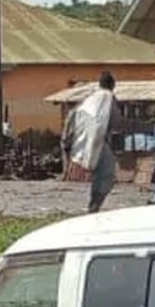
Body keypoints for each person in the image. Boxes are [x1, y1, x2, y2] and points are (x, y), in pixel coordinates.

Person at [64, 72, 125, 213]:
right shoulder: (109, 98)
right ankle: (95, 205)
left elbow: (75, 116)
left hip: (83, 141)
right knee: (107, 175)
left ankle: (93, 204)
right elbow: (116, 121)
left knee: (99, 175)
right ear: (113, 85)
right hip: (100, 142)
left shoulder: (90, 98)